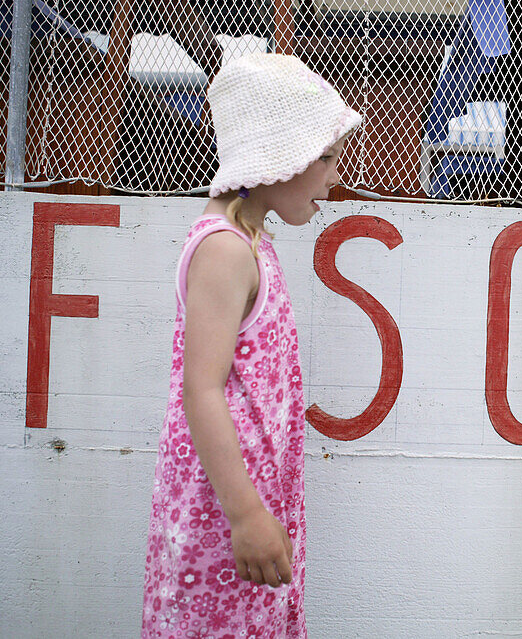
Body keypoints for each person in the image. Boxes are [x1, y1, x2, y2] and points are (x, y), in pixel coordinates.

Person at [142, 53, 362, 638]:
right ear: (278, 156)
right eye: (324, 158)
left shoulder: (250, 240)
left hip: (253, 500)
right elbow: (202, 390)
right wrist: (244, 515)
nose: (336, 176)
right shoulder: (225, 249)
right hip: (224, 513)